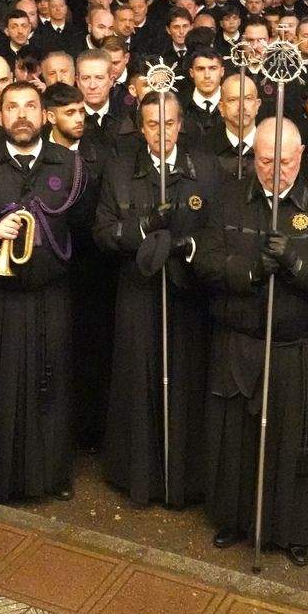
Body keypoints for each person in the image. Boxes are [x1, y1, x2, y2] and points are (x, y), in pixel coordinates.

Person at [193, 117, 308, 566]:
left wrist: (296, 262)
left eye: (285, 161)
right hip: (239, 338)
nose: (276, 170)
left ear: (300, 155)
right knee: (236, 436)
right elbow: (205, 262)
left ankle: (293, 530)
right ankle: (234, 518)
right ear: (253, 157)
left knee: (293, 440)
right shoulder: (229, 198)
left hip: (296, 346)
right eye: (266, 161)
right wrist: (247, 270)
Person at [0, 81, 87, 501]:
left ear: (45, 115)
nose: (22, 114)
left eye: (30, 106)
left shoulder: (69, 163)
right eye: (12, 107)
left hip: (50, 295)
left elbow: (83, 229)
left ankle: (52, 474)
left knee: (52, 382)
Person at [93, 89, 222, 507]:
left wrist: (189, 246)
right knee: (139, 379)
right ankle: (140, 475)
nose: (161, 132)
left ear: (180, 124)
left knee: (188, 379)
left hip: (188, 292)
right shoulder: (119, 170)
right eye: (152, 124)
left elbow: (220, 229)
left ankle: (186, 478)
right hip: (139, 290)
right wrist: (143, 227)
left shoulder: (205, 167)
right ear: (141, 128)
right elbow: (103, 233)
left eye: (168, 124)